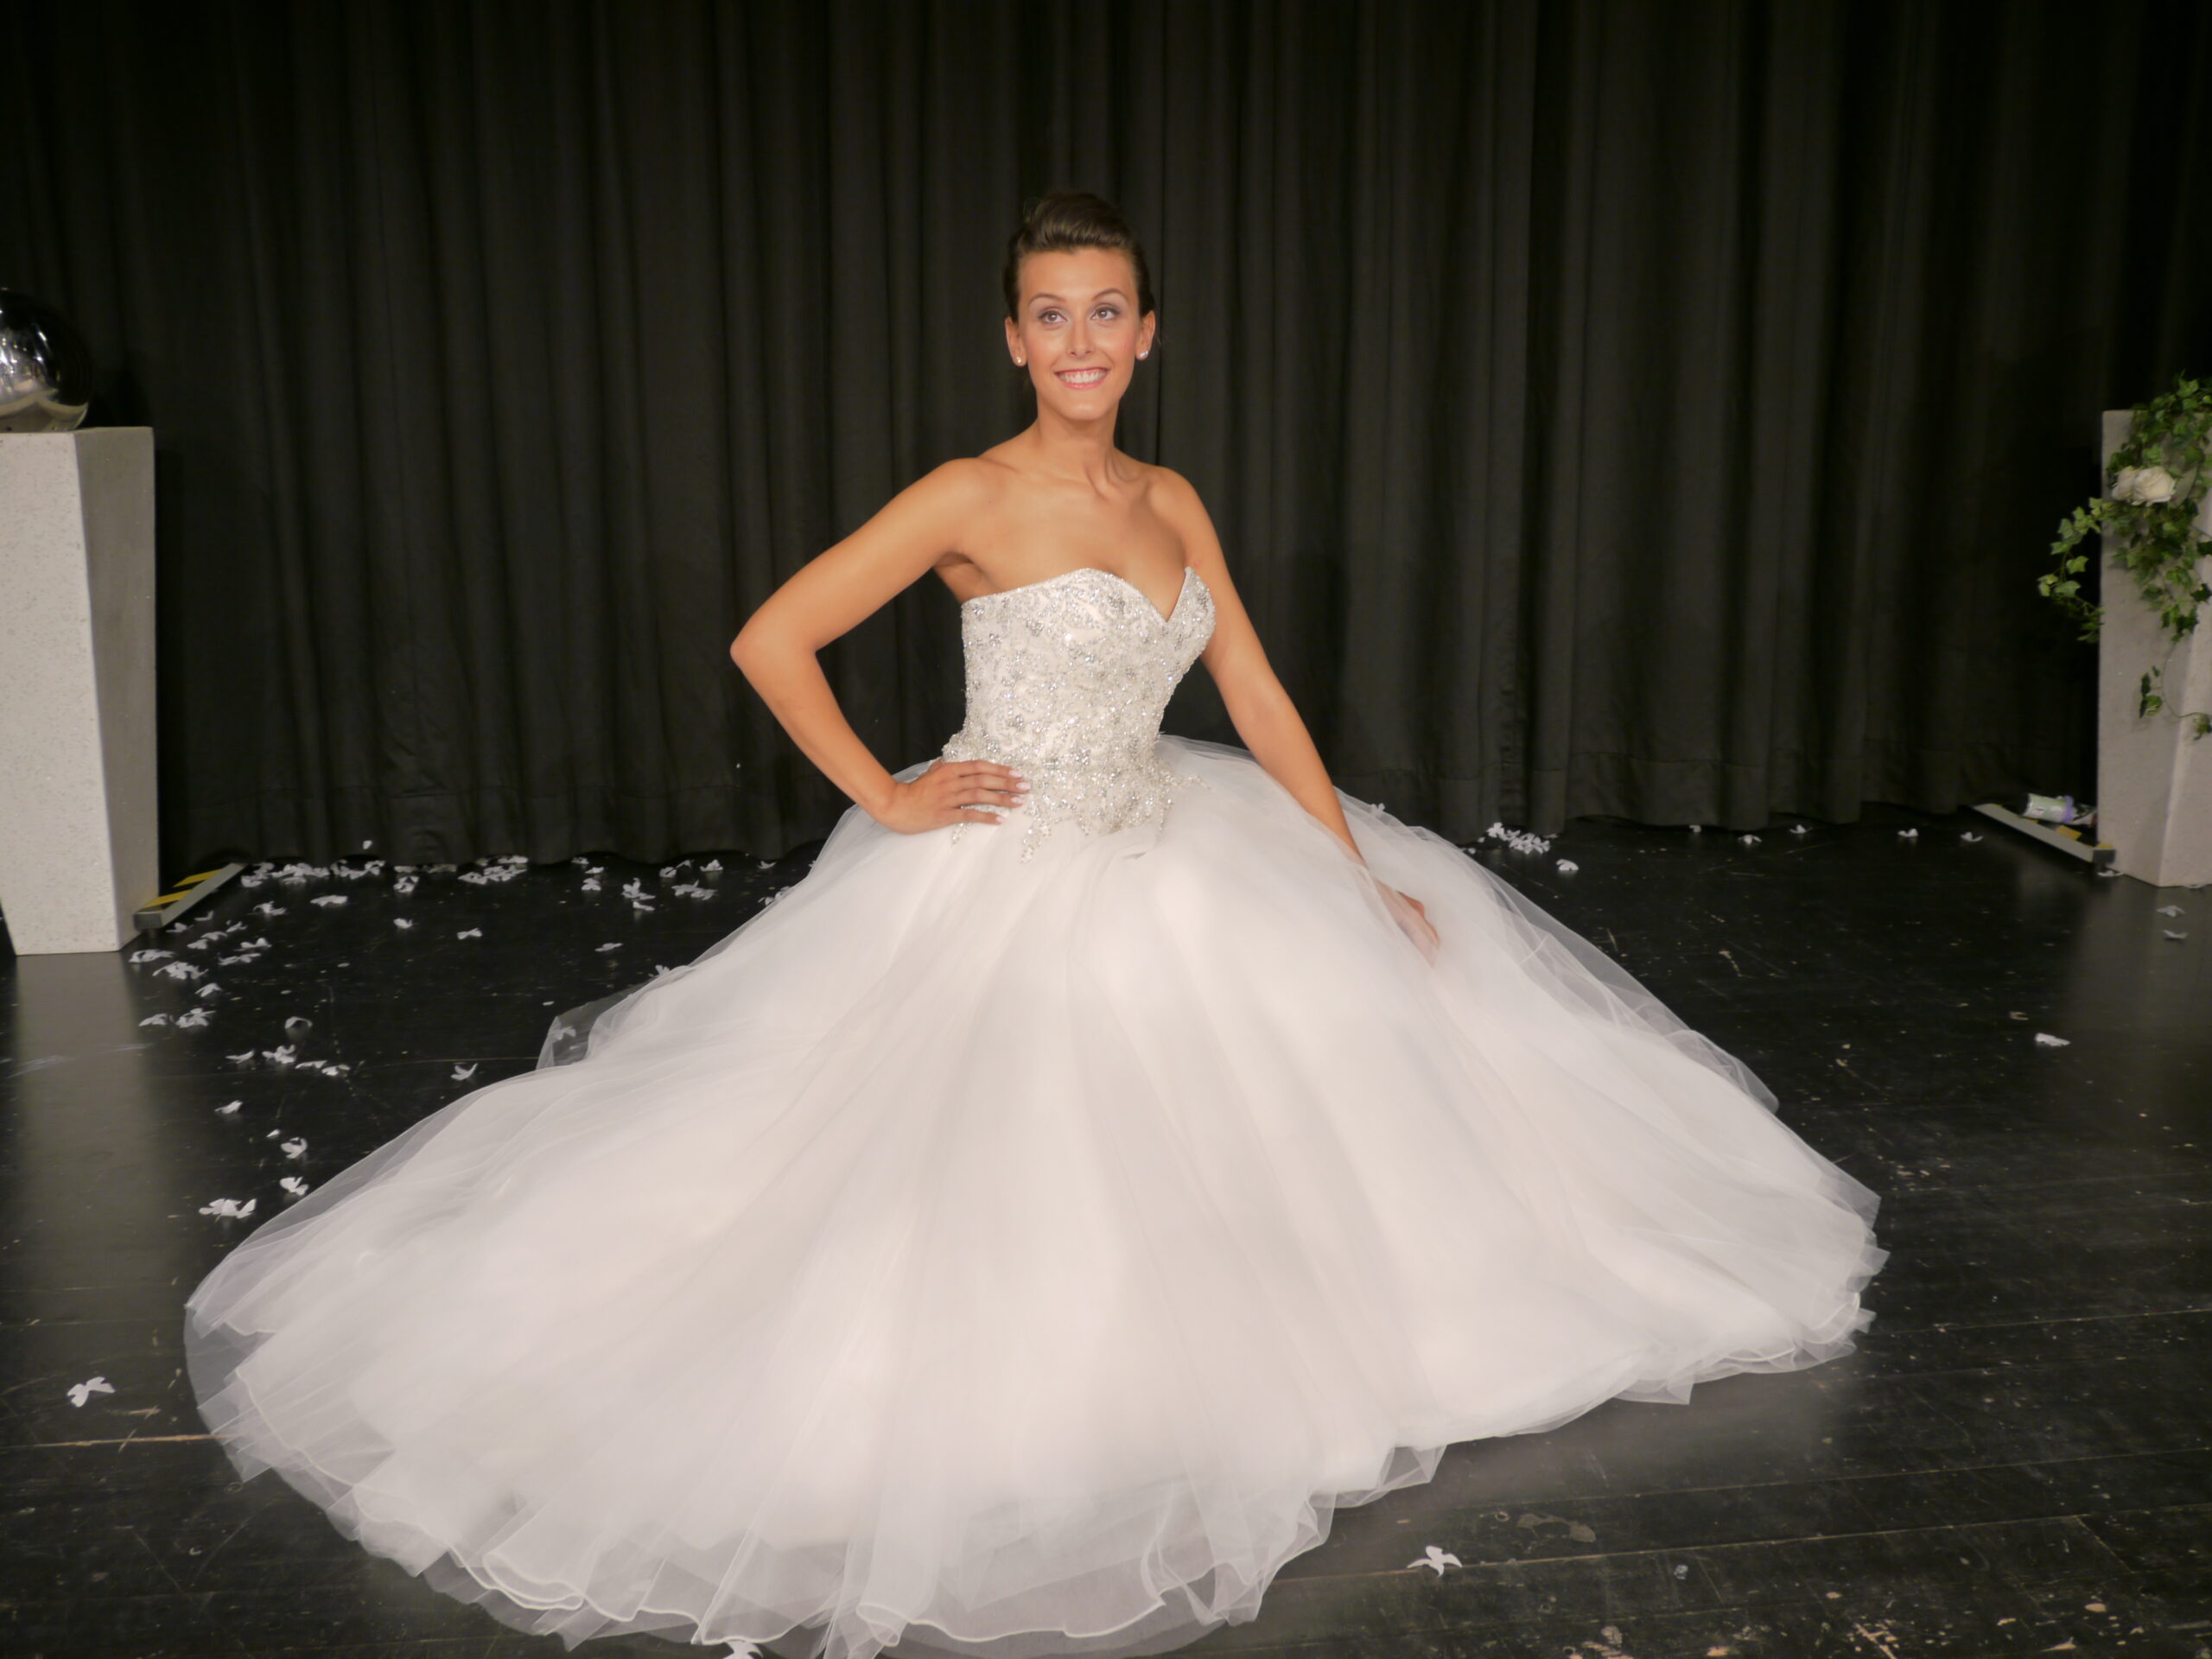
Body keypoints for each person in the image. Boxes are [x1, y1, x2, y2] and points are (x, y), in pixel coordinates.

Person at [183, 190, 1886, 1659]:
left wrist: (1349, 866)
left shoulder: (1172, 498)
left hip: (1176, 835)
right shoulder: (968, 495)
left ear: (1147, 332)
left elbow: (1254, 691)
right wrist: (886, 790)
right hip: (1009, 866)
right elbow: (774, 638)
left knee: (1345, 1072)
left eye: (1106, 312)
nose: (1080, 341)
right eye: (1050, 316)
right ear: (1014, 340)